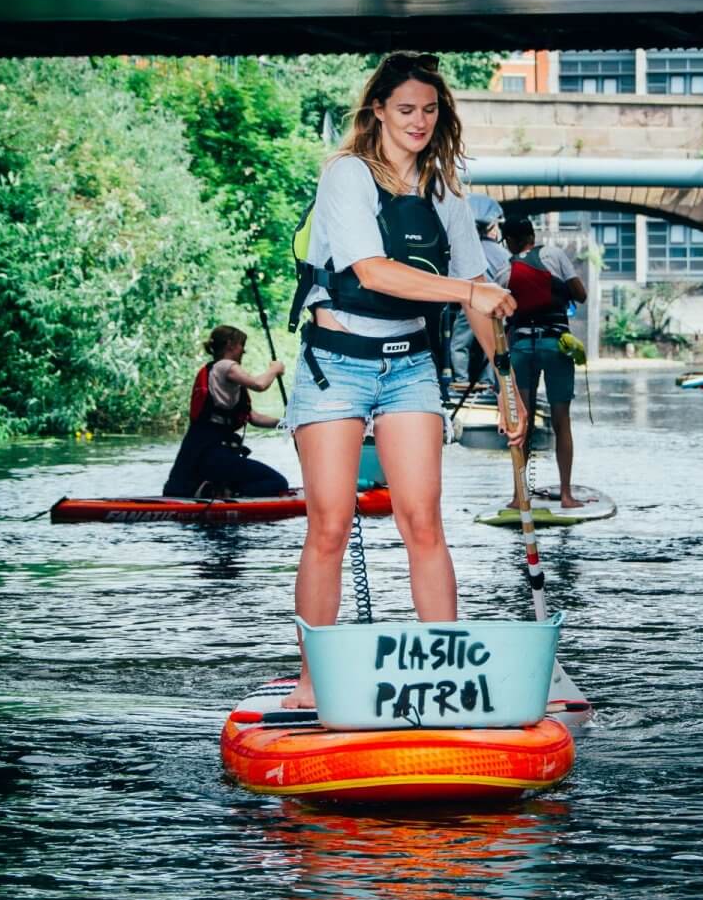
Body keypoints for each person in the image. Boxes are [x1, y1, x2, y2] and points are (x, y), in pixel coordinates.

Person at [281, 52, 523, 710]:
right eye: (407, 108)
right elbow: (372, 271)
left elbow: (478, 302)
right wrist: (471, 289)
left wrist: (508, 386)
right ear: (380, 111)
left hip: (411, 368)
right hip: (335, 365)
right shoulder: (348, 177)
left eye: (430, 109)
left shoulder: (446, 195)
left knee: (424, 522)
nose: (419, 120)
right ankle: (312, 682)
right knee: (329, 524)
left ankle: (444, 673)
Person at [502, 215, 588, 509]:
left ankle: (519, 497)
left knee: (520, 423)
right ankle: (566, 495)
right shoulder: (553, 254)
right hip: (555, 346)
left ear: (509, 242)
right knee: (562, 421)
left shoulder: (505, 269)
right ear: (532, 236)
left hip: (522, 348)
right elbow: (581, 295)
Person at [162, 326, 287, 498]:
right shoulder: (226, 366)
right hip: (214, 452)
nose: (244, 350)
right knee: (278, 483)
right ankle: (229, 493)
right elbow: (259, 385)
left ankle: (214, 488)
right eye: (242, 345)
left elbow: (252, 417)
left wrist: (285, 423)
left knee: (177, 490)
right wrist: (275, 369)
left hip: (198, 449)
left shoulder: (218, 374)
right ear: (230, 344)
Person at [447, 193, 510, 386]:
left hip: (470, 302)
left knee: (459, 345)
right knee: (492, 345)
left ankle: (461, 381)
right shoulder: (502, 254)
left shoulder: (463, 251)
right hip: (493, 306)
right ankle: (488, 383)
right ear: (492, 226)